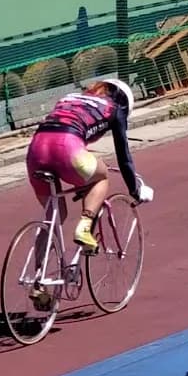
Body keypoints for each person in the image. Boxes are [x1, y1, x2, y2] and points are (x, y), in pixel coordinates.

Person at [25, 78, 154, 252]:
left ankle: (35, 273)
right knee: (101, 177)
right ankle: (84, 228)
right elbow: (123, 156)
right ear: (124, 102)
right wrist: (135, 190)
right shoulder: (115, 109)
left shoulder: (69, 98)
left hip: (36, 151)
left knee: (54, 218)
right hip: (67, 147)